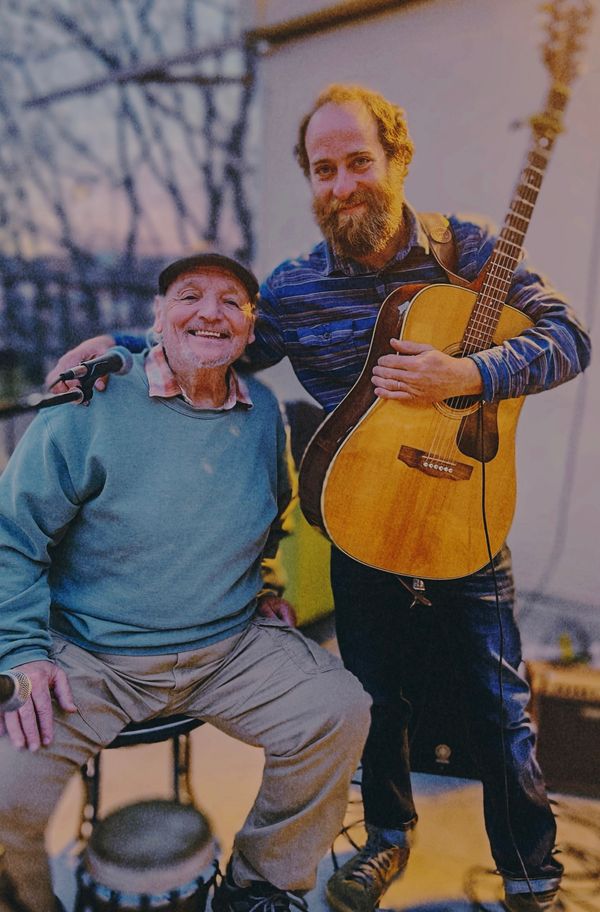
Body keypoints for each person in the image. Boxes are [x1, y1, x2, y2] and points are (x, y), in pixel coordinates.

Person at [48, 84, 592, 912]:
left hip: (464, 514)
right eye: (324, 169)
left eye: (359, 162)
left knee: (500, 704)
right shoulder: (295, 289)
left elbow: (570, 337)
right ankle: (385, 838)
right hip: (360, 521)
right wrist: (117, 347)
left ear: (398, 160)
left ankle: (530, 871)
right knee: (372, 698)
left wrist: (466, 372)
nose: (342, 185)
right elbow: (215, 344)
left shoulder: (466, 251)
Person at [0, 252, 372, 912]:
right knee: (5, 790)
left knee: (339, 710)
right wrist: (22, 651)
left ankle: (259, 888)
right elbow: (13, 535)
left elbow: (271, 519)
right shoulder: (90, 402)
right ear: (158, 316)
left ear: (250, 329)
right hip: (91, 657)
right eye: (189, 295)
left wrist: (268, 589)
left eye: (231, 301)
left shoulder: (263, 413)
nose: (210, 312)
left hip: (227, 650)